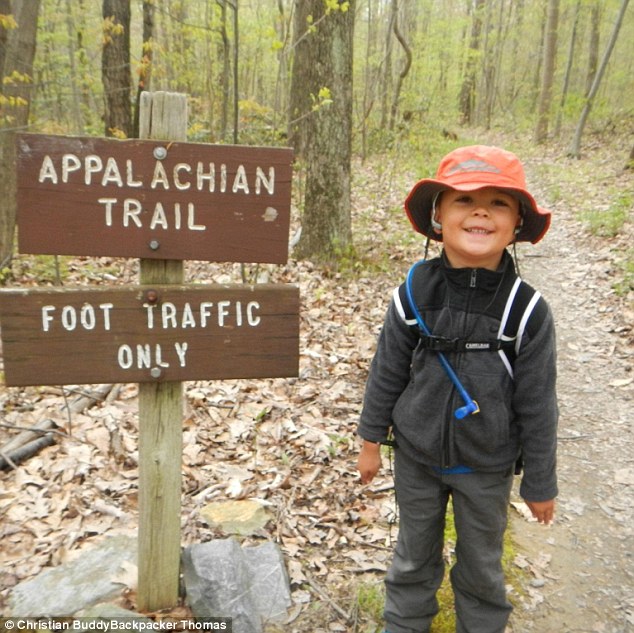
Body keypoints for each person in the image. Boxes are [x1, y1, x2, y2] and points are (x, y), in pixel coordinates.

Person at [356, 145, 558, 633]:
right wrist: (369, 439)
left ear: (515, 227)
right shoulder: (413, 292)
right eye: (464, 200)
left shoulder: (526, 309)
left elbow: (538, 403)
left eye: (499, 203)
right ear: (438, 217)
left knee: (482, 565)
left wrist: (540, 482)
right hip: (417, 456)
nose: (481, 211)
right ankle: (404, 624)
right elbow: (387, 369)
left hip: (487, 465)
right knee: (412, 556)